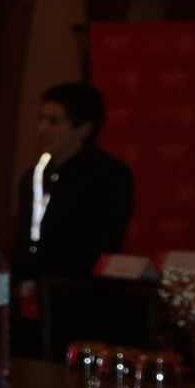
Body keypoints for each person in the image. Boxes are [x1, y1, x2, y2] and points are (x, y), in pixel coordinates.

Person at [13, 80, 135, 357]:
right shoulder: (35, 176)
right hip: (35, 299)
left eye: (53, 121)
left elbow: (101, 241)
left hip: (83, 302)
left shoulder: (108, 175)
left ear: (83, 128)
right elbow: (25, 235)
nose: (42, 129)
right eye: (40, 119)